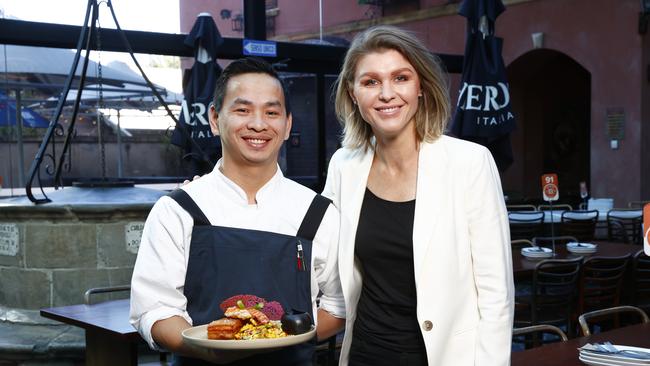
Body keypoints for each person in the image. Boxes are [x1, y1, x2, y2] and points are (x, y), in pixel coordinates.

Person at [130, 57, 345, 365]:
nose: (258, 124)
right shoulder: (178, 209)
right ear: (215, 119)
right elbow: (154, 310)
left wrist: (275, 340)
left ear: (287, 125)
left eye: (271, 112)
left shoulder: (318, 213)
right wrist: (211, 348)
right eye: (243, 110)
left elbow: (337, 307)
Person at [322, 25, 514, 366]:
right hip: (366, 353)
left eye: (400, 78)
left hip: (443, 357)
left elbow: (497, 295)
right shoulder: (344, 166)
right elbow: (322, 254)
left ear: (421, 86)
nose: (386, 94)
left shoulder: (469, 162)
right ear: (353, 94)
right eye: (370, 82)